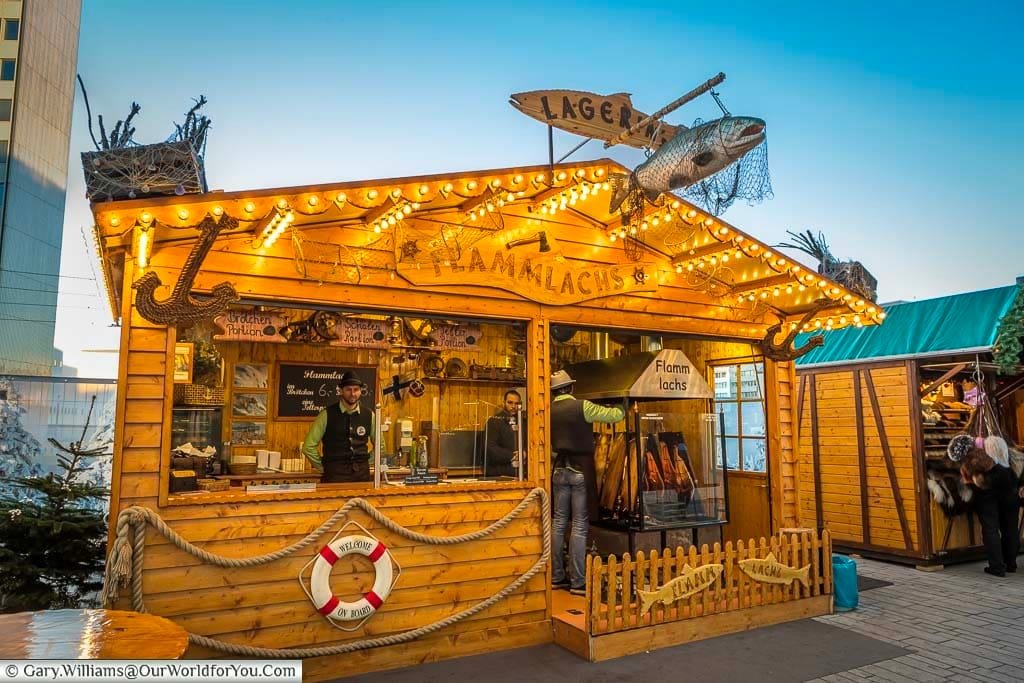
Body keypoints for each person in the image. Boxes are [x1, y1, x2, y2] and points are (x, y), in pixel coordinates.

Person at [549, 369, 624, 596]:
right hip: (581, 469)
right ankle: (578, 582)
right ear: (570, 388)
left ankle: (556, 576)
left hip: (558, 469)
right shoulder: (582, 406)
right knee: (580, 526)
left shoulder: (548, 410)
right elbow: (614, 417)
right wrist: (623, 405)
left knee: (559, 522)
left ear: (554, 392)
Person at [302, 371, 374, 483]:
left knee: (360, 502)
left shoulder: (369, 415)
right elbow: (308, 447)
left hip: (362, 477)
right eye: (348, 389)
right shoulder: (326, 415)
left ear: (360, 391)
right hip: (334, 477)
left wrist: (365, 463)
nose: (352, 393)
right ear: (341, 391)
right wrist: (323, 467)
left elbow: (381, 446)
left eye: (356, 389)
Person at [961, 447, 1019, 576]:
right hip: (1009, 493)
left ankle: (997, 567)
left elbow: (972, 483)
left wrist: (969, 482)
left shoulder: (977, 468)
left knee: (990, 530)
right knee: (1010, 528)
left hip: (987, 495)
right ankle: (1011, 563)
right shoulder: (1004, 464)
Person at [484, 390, 525, 478]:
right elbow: (490, 448)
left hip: (520, 473)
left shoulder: (524, 422)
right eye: (510, 403)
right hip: (498, 473)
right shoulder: (494, 421)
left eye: (516, 403)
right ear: (504, 403)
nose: (513, 406)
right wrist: (513, 455)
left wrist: (526, 453)